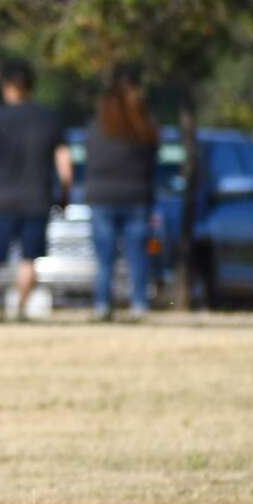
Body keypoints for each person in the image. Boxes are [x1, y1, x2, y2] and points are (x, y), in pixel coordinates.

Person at [0, 60, 73, 321]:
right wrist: (64, 195)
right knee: (29, 258)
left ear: (7, 87)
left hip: (1, 199)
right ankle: (18, 311)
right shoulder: (49, 119)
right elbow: (65, 165)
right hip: (37, 199)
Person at [85, 68, 158, 320]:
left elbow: (90, 159)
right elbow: (152, 162)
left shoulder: (99, 124)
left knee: (104, 258)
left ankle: (102, 305)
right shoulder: (144, 125)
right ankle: (139, 304)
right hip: (137, 196)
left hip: (103, 196)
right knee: (137, 255)